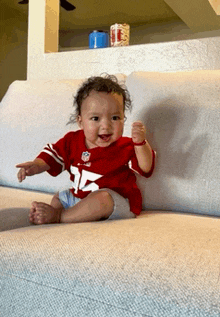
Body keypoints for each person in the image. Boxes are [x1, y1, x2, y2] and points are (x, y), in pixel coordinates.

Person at [16, 75, 155, 225]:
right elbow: (52, 155)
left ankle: (59, 217)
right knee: (60, 196)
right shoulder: (72, 141)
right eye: (96, 119)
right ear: (80, 121)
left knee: (102, 199)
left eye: (115, 118)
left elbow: (146, 168)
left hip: (116, 202)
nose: (106, 126)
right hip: (80, 198)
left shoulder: (125, 145)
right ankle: (52, 217)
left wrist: (140, 143)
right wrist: (37, 165)